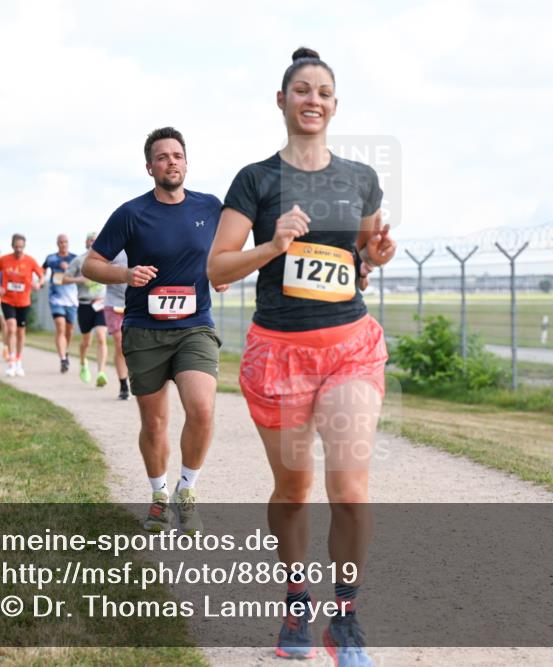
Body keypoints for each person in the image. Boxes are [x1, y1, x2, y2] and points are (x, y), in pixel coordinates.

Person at [207, 47, 397, 665]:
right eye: (301, 90)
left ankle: (343, 618)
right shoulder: (256, 180)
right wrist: (273, 243)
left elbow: (360, 258)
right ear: (282, 100)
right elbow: (217, 270)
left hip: (349, 347)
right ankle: (295, 600)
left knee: (350, 488)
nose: (312, 100)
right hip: (280, 355)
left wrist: (376, 257)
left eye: (323, 92)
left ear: (334, 106)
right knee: (294, 488)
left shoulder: (360, 177)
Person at [83, 126, 228, 536]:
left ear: (187, 161)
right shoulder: (131, 213)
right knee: (155, 422)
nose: (171, 162)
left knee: (201, 409)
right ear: (150, 167)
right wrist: (125, 273)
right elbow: (91, 265)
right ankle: (159, 497)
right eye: (162, 157)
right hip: (145, 329)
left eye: (177, 155)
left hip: (194, 326)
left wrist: (221, 273)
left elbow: (224, 252)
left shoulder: (210, 207)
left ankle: (186, 491)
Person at [0, 234, 44, 377]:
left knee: (21, 332)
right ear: (12, 246)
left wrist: (38, 284)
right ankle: (11, 361)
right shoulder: (4, 260)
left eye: (21, 247)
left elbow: (41, 276)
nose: (18, 250)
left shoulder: (30, 261)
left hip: (23, 301)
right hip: (7, 300)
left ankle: (18, 361)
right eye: (16, 247)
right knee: (11, 328)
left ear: (24, 246)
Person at [64, 232, 108, 387]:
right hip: (84, 304)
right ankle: (83, 362)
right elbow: (64, 278)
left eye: (96, 240)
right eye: (90, 240)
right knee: (86, 341)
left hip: (101, 304)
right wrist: (80, 279)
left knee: (102, 337)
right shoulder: (78, 260)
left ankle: (101, 372)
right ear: (86, 242)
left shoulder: (106, 259)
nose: (93, 242)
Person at [43, 234, 78, 373]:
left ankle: (65, 350)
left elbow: (83, 273)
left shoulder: (75, 259)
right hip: (56, 298)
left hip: (71, 299)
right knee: (60, 327)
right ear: (57, 244)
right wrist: (41, 279)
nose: (63, 244)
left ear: (68, 243)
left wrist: (69, 269)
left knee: (69, 330)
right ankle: (63, 358)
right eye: (61, 242)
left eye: (65, 242)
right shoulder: (51, 258)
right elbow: (43, 268)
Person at [102, 250, 132, 400]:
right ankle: (123, 385)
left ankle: (136, 378)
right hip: (114, 304)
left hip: (134, 303)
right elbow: (98, 271)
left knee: (136, 344)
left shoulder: (140, 245)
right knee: (120, 344)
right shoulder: (112, 250)